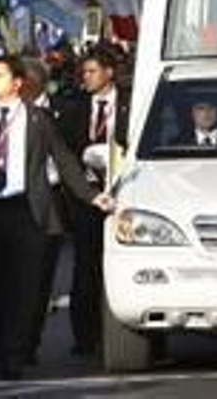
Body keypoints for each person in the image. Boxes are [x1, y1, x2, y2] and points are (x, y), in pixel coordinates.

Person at [0, 54, 106, 381]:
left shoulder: (38, 119)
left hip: (27, 211)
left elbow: (64, 160)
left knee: (25, 287)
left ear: (17, 83)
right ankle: (1, 351)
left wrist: (93, 196)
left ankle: (15, 355)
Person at [54, 47, 126, 357]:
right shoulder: (73, 107)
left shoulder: (130, 105)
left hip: (124, 196)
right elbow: (64, 151)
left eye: (92, 71)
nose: (86, 77)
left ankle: (120, 328)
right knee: (86, 265)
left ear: (109, 72)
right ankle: (85, 336)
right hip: (86, 198)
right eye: (83, 72)